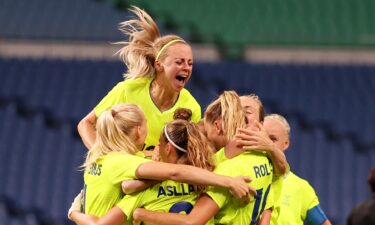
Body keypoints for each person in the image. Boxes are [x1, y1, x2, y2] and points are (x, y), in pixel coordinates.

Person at [70, 103, 253, 219]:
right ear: (138, 131)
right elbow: (174, 172)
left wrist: (75, 213)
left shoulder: (99, 158)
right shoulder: (124, 162)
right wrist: (229, 181)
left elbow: (128, 186)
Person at [133, 91, 274, 225]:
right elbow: (268, 208)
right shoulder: (263, 158)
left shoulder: (222, 171)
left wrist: (142, 214)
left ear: (217, 126)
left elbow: (192, 221)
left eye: (205, 131)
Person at [77, 6, 201, 155]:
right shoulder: (128, 91)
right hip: (126, 175)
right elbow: (86, 124)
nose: (186, 68)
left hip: (163, 177)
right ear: (159, 64)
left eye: (190, 63)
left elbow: (189, 155)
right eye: (179, 62)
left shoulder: (191, 107)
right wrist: (104, 157)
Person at [261, 114, 332, 225]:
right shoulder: (246, 175)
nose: (266, 143)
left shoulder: (301, 188)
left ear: (286, 144)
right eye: (263, 137)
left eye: (273, 139)